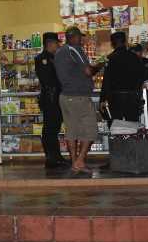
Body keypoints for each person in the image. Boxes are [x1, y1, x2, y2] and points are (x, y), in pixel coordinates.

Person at [54, 27, 100, 175]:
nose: (81, 39)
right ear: (73, 37)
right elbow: (88, 71)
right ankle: (80, 161)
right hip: (79, 97)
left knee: (71, 131)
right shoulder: (75, 49)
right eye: (80, 37)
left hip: (65, 97)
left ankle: (75, 163)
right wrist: (99, 65)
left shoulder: (59, 52)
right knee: (91, 129)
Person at [35, 32, 68, 169]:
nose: (58, 46)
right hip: (50, 98)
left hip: (56, 98)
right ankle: (51, 158)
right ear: (50, 43)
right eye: (56, 43)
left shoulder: (55, 57)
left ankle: (56, 156)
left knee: (54, 129)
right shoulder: (42, 59)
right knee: (49, 129)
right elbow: (48, 80)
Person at [100, 33, 146, 122]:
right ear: (125, 42)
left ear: (112, 44)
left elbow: (106, 81)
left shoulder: (110, 58)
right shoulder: (134, 58)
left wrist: (103, 99)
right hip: (132, 98)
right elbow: (141, 76)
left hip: (115, 99)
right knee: (132, 126)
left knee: (116, 126)